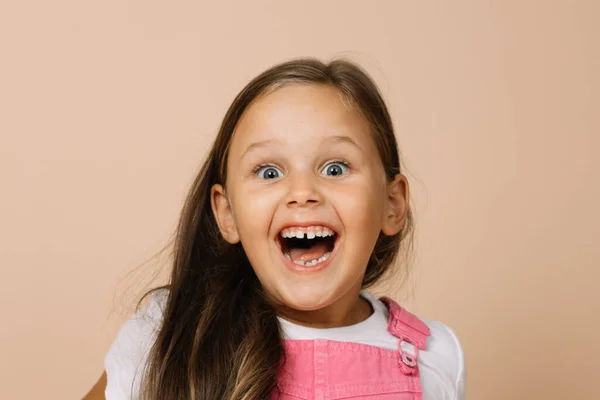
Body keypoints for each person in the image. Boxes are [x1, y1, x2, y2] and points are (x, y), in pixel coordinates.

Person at [83, 58, 466, 400]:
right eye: (269, 172)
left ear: (392, 204)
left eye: (335, 168)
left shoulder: (436, 357)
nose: (302, 193)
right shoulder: (169, 339)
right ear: (227, 213)